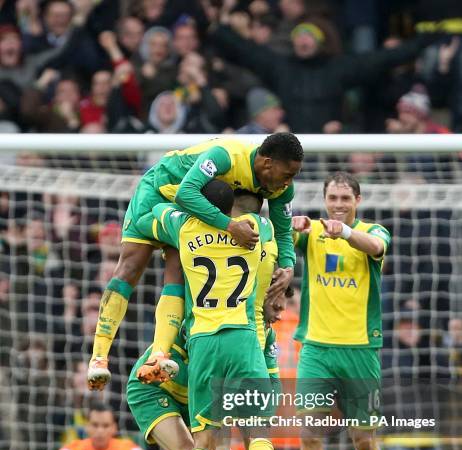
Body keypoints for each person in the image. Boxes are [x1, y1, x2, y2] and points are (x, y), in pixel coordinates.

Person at [87, 132, 302, 392]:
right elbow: (185, 192)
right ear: (267, 163)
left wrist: (288, 266)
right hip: (161, 192)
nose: (290, 182)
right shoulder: (226, 155)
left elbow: (283, 231)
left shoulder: (280, 187)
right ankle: (99, 356)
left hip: (197, 207)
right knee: (131, 266)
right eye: (288, 174)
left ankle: (159, 355)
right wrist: (230, 226)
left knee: (177, 267)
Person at [150, 181, 282, 450]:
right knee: (258, 434)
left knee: (204, 441)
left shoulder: (184, 227)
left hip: (203, 341)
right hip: (242, 338)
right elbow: (273, 225)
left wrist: (183, 185)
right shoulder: (260, 230)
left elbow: (161, 202)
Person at [292, 171, 391, 450]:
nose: (337, 205)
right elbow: (282, 235)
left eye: (345, 199)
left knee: (364, 441)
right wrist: (292, 224)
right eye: (332, 198)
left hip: (361, 351)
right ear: (324, 199)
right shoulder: (312, 233)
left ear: (358, 201)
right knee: (309, 435)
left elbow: (375, 247)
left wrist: (344, 233)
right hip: (316, 349)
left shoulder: (373, 232)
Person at [209, 8, 442, 132]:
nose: (302, 40)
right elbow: (246, 51)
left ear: (319, 42)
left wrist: (425, 41)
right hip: (290, 148)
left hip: (329, 150)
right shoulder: (280, 67)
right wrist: (216, 29)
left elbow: (382, 59)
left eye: (308, 36)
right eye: (298, 36)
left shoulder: (337, 68)